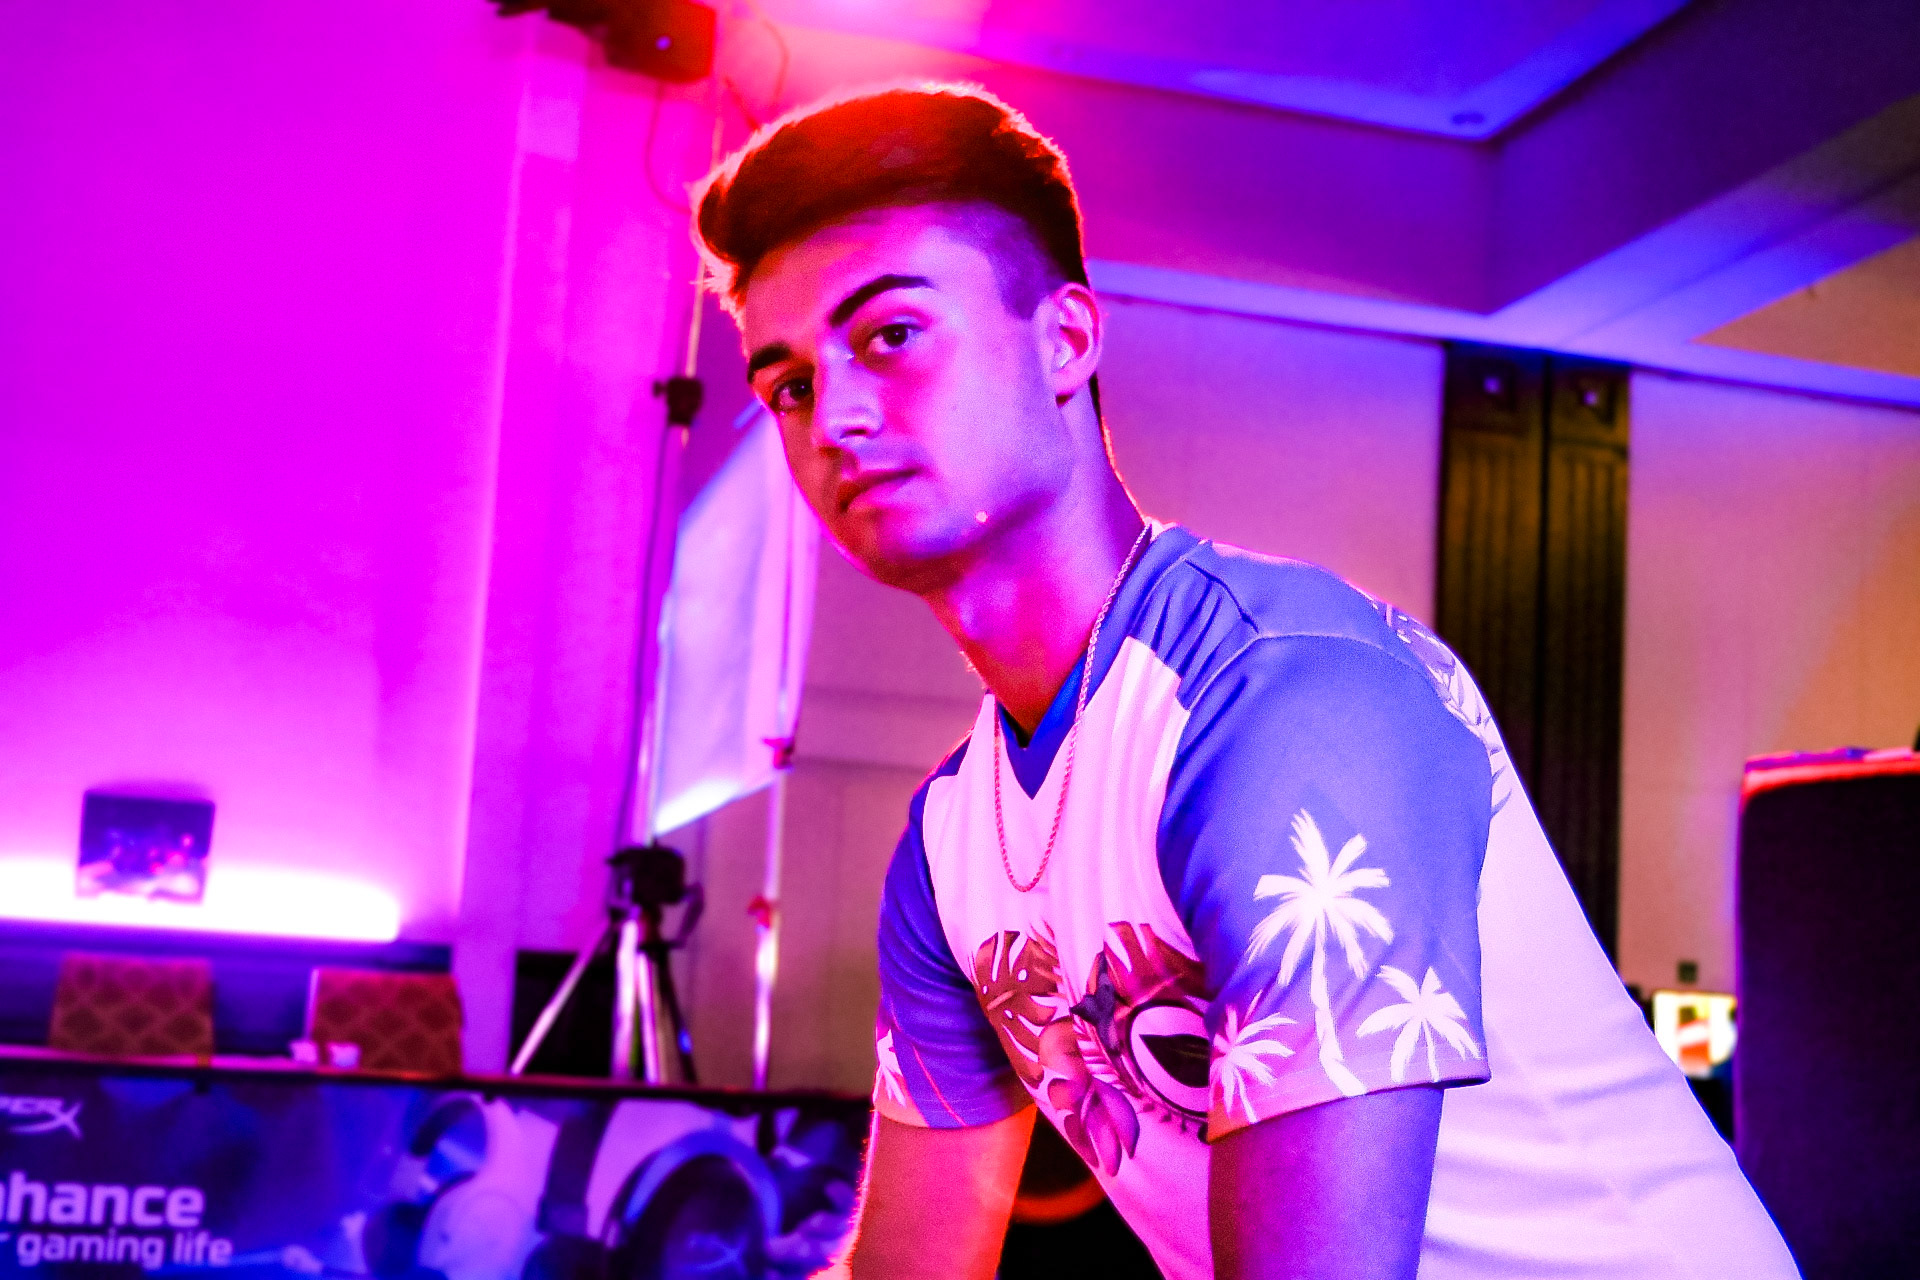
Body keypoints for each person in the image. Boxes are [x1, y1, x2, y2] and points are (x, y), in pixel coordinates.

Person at [692, 84, 1798, 1280]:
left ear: (1066, 340)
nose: (836, 417)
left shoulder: (1291, 701)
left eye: (891, 335)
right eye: (790, 385)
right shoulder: (949, 845)